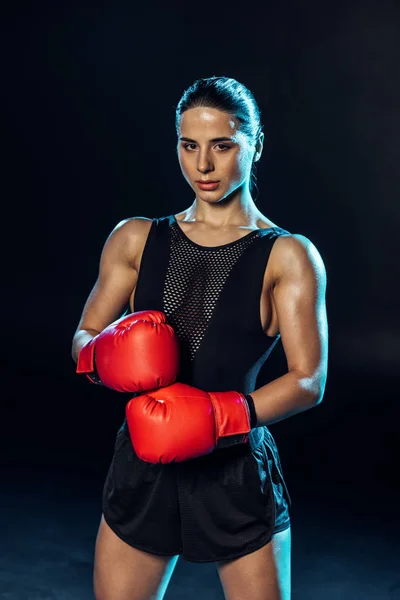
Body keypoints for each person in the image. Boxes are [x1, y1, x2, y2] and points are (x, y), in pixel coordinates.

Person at [72, 76, 328, 600]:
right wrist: (105, 357)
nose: (203, 165)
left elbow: (309, 378)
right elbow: (84, 335)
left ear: (256, 144)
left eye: (222, 145)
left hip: (234, 472)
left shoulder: (288, 255)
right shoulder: (136, 238)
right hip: (143, 465)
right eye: (190, 146)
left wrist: (218, 415)